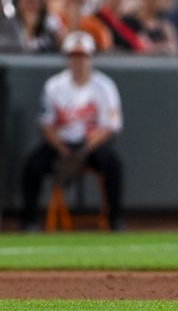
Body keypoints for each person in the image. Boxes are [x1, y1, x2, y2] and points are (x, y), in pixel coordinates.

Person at [20, 31, 124, 231]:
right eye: (74, 56)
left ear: (90, 58)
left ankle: (115, 220)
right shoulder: (54, 86)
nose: (78, 61)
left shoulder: (104, 86)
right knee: (32, 165)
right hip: (62, 143)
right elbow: (46, 124)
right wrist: (61, 148)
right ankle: (29, 221)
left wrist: (84, 149)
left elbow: (109, 126)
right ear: (67, 58)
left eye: (82, 56)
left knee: (113, 164)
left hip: (90, 144)